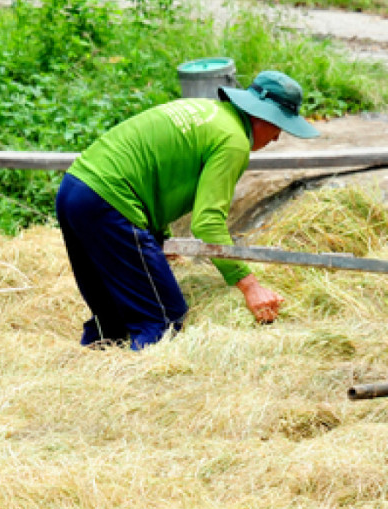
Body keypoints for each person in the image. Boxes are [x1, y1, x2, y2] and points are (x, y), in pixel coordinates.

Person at [56, 70, 320, 349]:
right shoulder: (233, 142)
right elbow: (207, 223)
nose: (278, 137)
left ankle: (91, 371)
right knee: (163, 318)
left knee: (113, 314)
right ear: (263, 116)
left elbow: (159, 170)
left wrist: (158, 236)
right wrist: (250, 285)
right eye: (280, 126)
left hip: (75, 189)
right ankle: (135, 387)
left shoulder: (208, 113)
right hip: (109, 202)